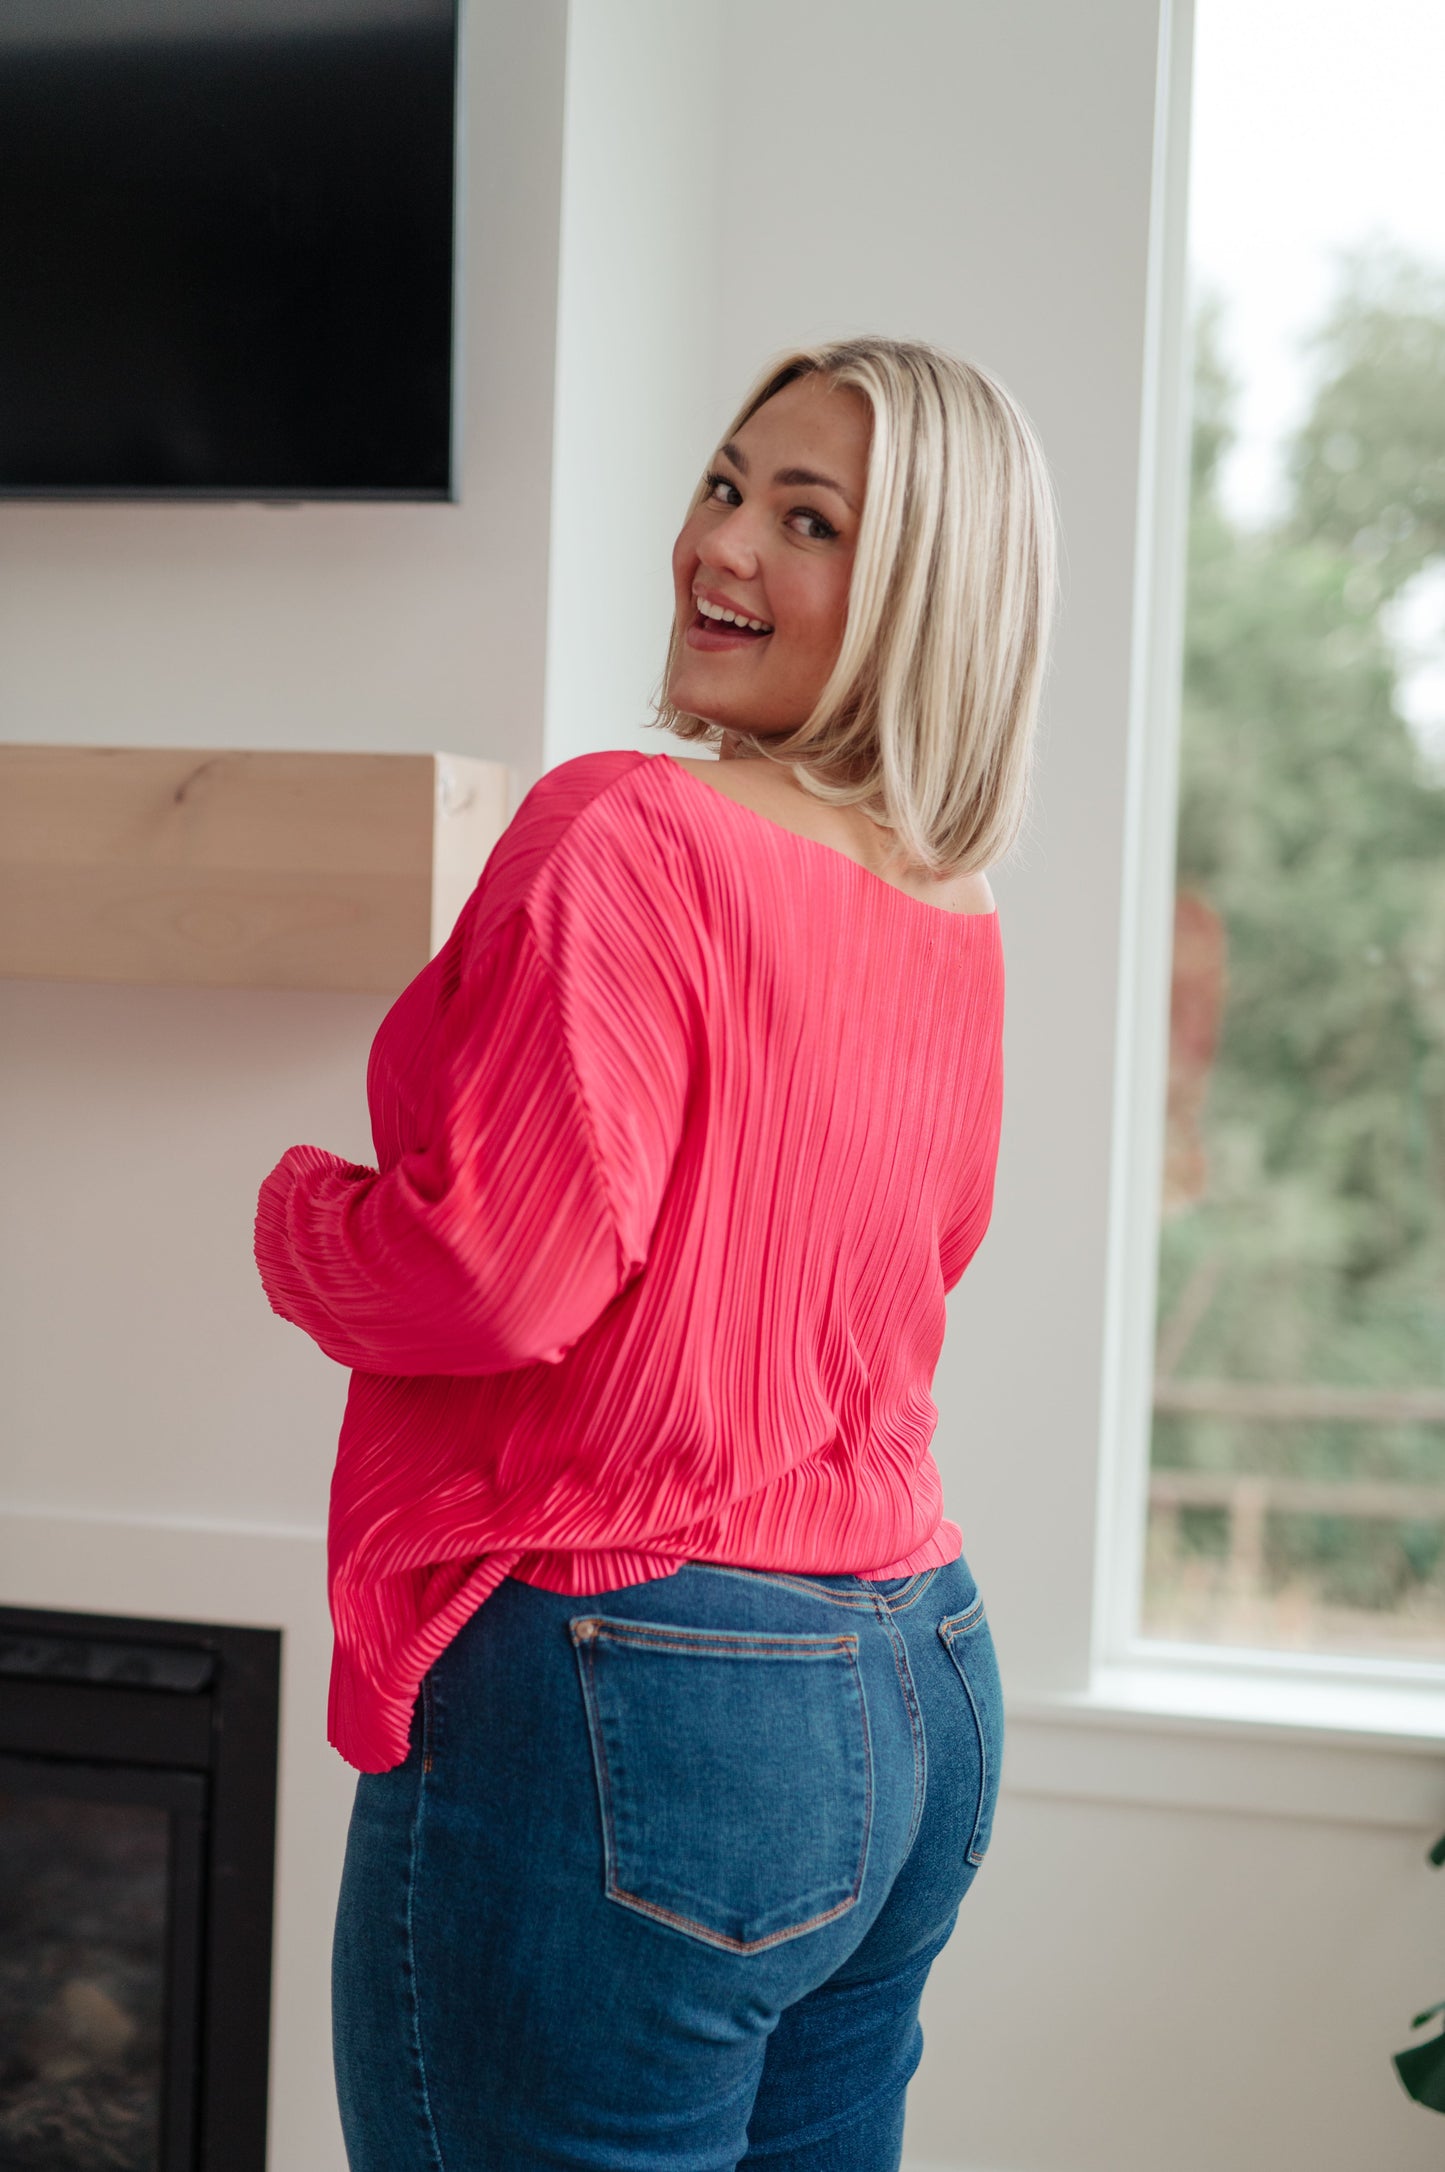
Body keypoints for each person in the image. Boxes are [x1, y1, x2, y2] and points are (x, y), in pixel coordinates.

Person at [254, 334, 1060, 2172]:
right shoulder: (949, 902)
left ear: (924, 590)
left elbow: (497, 1275)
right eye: (723, 485)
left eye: (809, 521)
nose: (722, 545)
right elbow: (934, 1247)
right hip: (919, 1671)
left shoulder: (630, 827)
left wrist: (298, 1223)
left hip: (642, 1677)